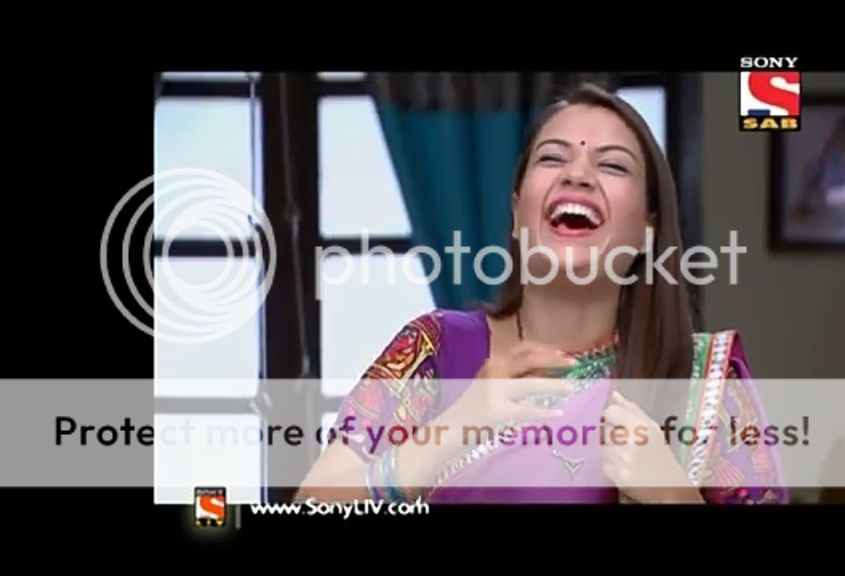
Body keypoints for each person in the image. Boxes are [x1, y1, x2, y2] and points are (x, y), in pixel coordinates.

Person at [297, 82, 787, 505]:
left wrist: (673, 494)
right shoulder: (434, 349)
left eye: (612, 166)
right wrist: (454, 429)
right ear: (517, 213)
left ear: (648, 231)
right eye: (552, 158)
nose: (577, 175)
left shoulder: (707, 384)